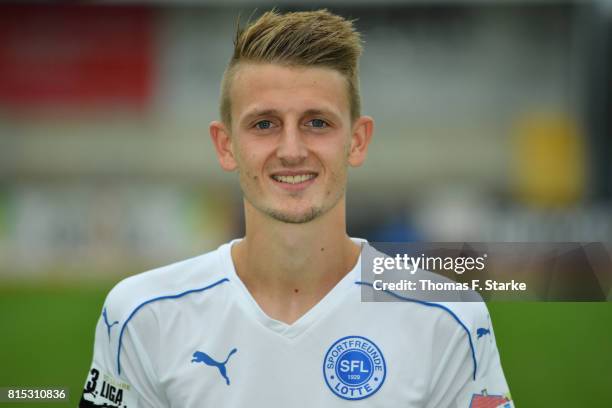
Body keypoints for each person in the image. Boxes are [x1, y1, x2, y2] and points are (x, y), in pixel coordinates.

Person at [80, 9, 512, 407]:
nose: (291, 150)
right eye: (264, 124)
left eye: (317, 123)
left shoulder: (450, 318)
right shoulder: (142, 315)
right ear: (225, 145)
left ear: (357, 141)